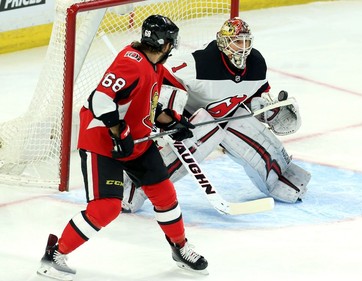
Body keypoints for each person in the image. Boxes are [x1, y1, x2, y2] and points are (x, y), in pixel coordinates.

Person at [37, 15, 208, 281]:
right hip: (102, 142)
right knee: (106, 208)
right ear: (164, 44)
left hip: (136, 141)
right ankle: (55, 255)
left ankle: (180, 248)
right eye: (170, 43)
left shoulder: (153, 66)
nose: (171, 48)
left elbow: (144, 104)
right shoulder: (131, 64)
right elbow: (100, 99)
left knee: (165, 194)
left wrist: (172, 120)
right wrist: (118, 133)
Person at [122, 17, 311, 213]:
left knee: (245, 126)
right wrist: (164, 117)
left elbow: (253, 95)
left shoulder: (256, 64)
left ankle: (281, 177)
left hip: (224, 118)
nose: (243, 47)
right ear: (223, 42)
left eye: (246, 41)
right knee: (205, 128)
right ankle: (133, 187)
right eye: (237, 41)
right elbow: (158, 75)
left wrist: (267, 111)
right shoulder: (200, 63)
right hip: (187, 121)